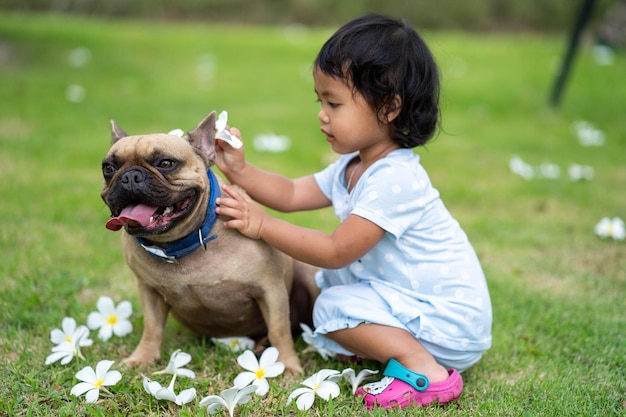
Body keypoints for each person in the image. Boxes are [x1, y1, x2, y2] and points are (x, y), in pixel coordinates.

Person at [214, 13, 492, 410]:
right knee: (332, 292)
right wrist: (241, 170)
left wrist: (262, 224)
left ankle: (427, 373)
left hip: (450, 322)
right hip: (415, 306)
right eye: (320, 100)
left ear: (390, 107)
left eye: (334, 102)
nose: (322, 114)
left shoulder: (395, 179)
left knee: (330, 304)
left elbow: (335, 250)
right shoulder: (354, 166)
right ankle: (389, 348)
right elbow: (292, 192)